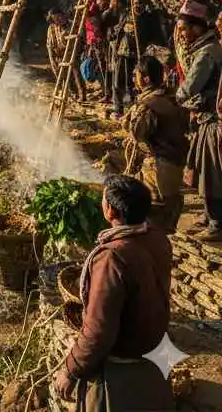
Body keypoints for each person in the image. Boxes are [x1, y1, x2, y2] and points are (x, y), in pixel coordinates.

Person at [54, 175, 174, 411]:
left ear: (110, 211)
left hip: (122, 373)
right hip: (154, 354)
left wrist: (71, 369)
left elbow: (99, 331)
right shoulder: (157, 238)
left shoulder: (113, 258)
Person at [125, 54, 189, 233]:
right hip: (174, 163)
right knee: (167, 213)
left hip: (158, 168)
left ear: (145, 79)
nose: (133, 79)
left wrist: (132, 114)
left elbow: (137, 133)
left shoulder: (149, 104)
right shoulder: (171, 97)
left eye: (136, 75)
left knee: (154, 216)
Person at [175, 0, 222, 240]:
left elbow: (191, 86)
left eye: (183, 29)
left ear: (197, 27)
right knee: (204, 170)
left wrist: (175, 95)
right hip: (206, 116)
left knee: (211, 172)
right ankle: (208, 214)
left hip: (213, 120)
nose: (181, 34)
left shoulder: (207, 53)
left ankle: (216, 223)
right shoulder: (207, 48)